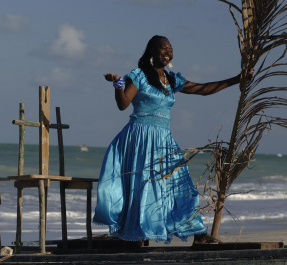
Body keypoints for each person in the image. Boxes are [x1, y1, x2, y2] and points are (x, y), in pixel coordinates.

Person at [93, 35, 243, 244]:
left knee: (180, 185)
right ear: (152, 51)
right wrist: (118, 85)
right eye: (163, 48)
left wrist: (236, 80)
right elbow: (123, 104)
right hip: (140, 139)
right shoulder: (139, 76)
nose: (168, 53)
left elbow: (203, 89)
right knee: (142, 187)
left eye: (170, 50)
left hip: (164, 141)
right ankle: (137, 235)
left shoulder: (172, 80)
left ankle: (198, 234)